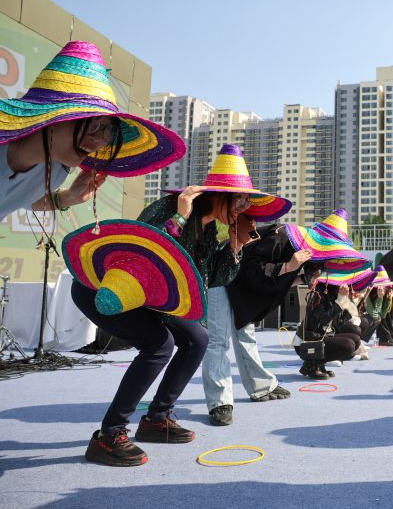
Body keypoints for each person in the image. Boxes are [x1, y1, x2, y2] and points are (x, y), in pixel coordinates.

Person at [72, 143, 263, 467]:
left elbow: (213, 279)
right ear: (219, 195)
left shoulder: (211, 231)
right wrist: (180, 215)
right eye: (241, 199)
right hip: (106, 288)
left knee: (198, 339)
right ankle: (109, 435)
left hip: (151, 300)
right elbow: (141, 251)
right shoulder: (171, 207)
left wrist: (236, 245)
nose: (244, 208)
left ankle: (156, 419)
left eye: (248, 201)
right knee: (160, 345)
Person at [0, 41, 185, 221]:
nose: (99, 139)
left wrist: (69, 197)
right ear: (51, 115)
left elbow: (17, 201)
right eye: (94, 123)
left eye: (109, 131)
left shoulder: (56, 170)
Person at [205, 223, 311, 427]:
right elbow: (254, 269)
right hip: (220, 273)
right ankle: (220, 402)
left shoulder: (303, 251)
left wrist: (303, 276)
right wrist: (290, 267)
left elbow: (277, 279)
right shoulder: (282, 237)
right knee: (219, 339)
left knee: (246, 334)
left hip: (241, 283)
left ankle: (261, 386)